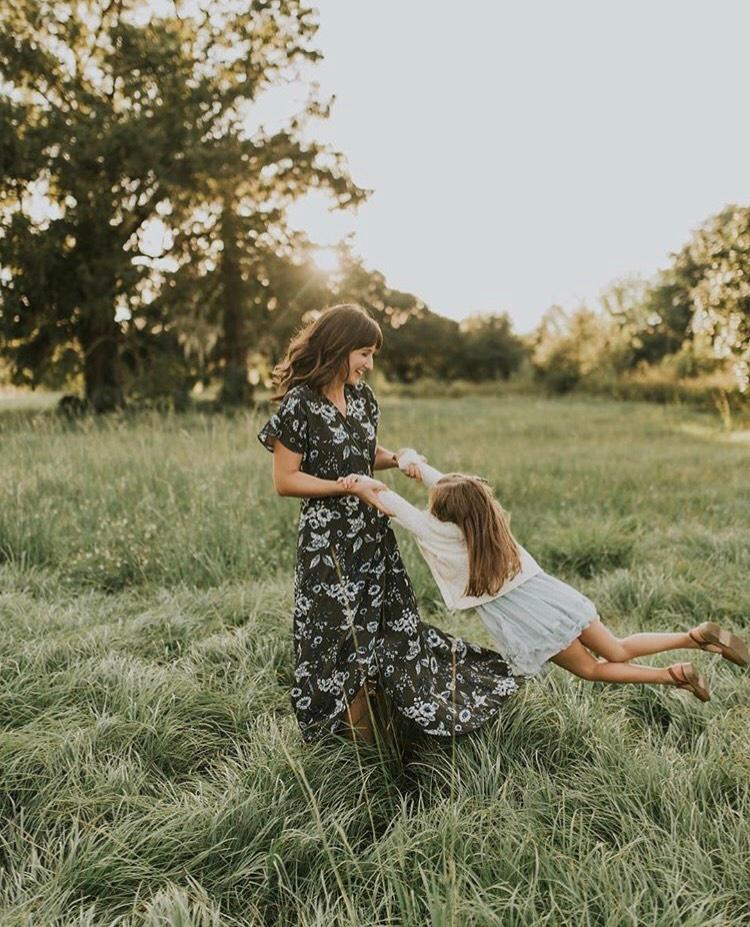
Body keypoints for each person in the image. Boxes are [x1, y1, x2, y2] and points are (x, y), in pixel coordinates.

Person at [257, 305, 521, 747]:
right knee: (339, 639)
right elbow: (286, 480)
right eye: (364, 353)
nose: (369, 364)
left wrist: (396, 458)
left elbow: (362, 450)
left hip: (373, 532)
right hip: (329, 544)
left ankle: (386, 733)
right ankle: (353, 750)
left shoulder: (363, 397)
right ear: (338, 348)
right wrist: (348, 489)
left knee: (388, 628)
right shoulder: (300, 404)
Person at [339, 452, 748, 702]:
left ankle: (670, 675)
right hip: (553, 596)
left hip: (530, 619)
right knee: (618, 648)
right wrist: (414, 463)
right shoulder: (492, 527)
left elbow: (391, 504)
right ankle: (696, 637)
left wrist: (359, 484)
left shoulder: (441, 533)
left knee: (592, 670)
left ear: (447, 513)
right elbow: (453, 488)